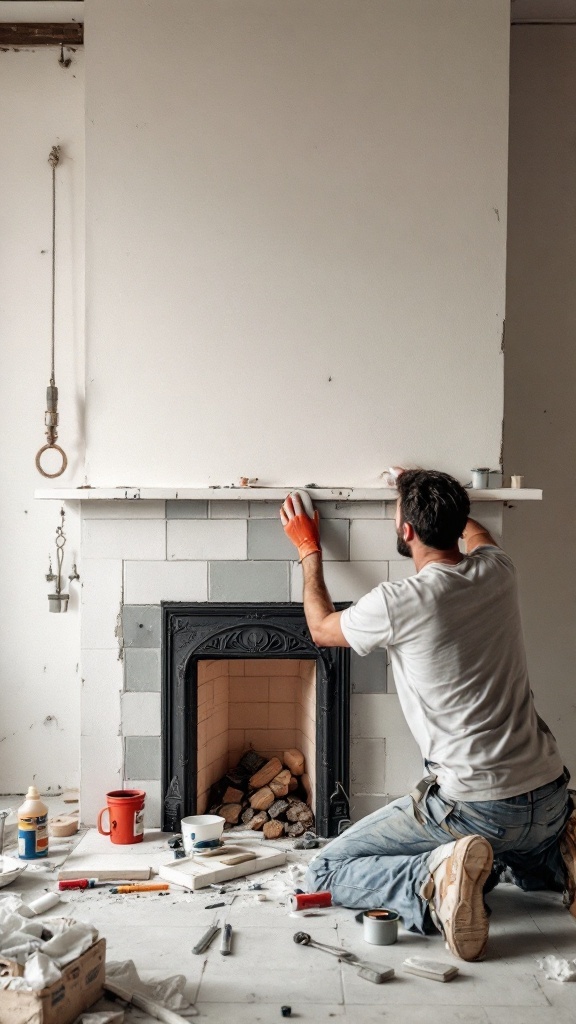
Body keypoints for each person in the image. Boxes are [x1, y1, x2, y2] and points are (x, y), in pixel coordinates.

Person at [280, 469, 576, 962]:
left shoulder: (400, 602)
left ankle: (434, 881)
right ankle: (559, 858)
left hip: (478, 809)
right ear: (456, 522)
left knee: (324, 871)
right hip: (548, 796)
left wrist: (309, 550)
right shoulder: (498, 570)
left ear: (406, 531)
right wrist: (430, 497)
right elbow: (479, 535)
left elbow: (320, 628)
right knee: (506, 859)